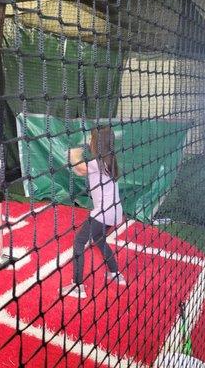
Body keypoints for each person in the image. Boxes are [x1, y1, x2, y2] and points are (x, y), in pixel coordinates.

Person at [62, 125, 126, 299]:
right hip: (114, 212)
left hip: (103, 212)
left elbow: (81, 168)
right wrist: (73, 158)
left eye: (92, 139)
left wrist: (73, 154)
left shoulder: (97, 163)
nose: (90, 141)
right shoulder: (109, 160)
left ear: (98, 143)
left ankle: (77, 286)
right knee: (99, 239)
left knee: (79, 242)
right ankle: (115, 273)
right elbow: (80, 171)